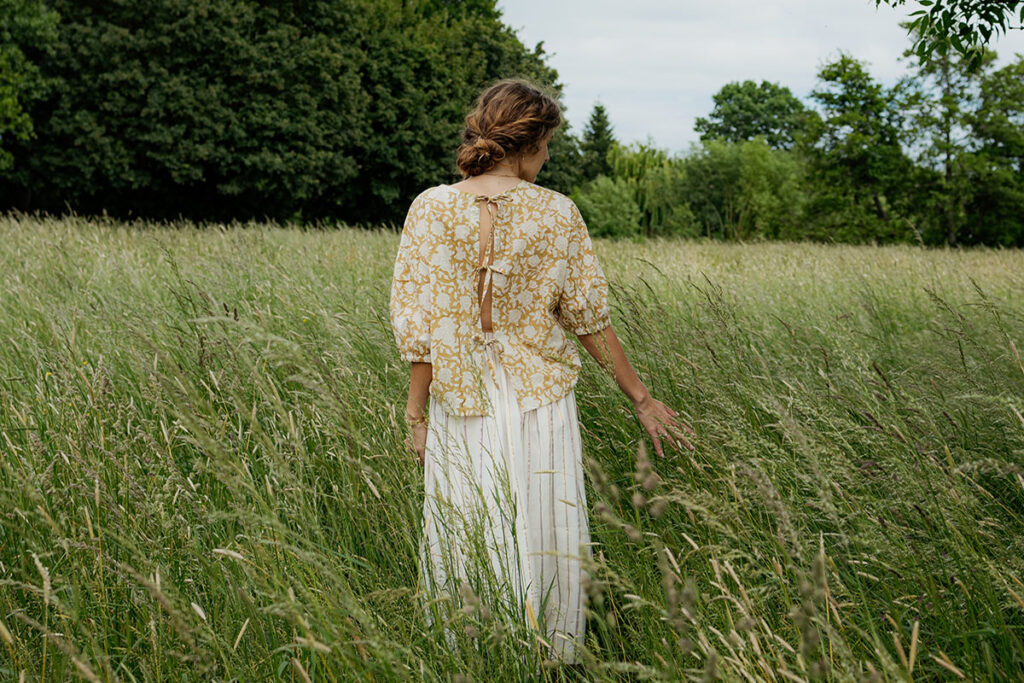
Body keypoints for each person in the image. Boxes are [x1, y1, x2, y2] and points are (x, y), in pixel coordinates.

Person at [389, 78, 694, 666]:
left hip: (461, 399)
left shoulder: (429, 207)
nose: (549, 156)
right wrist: (641, 399)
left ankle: (475, 655)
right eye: (548, 142)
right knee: (543, 525)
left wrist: (414, 413)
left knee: (469, 528)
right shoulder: (557, 212)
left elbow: (419, 328)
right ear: (528, 140)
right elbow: (589, 320)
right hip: (539, 400)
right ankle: (548, 656)